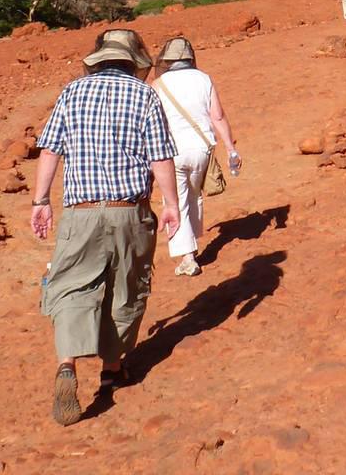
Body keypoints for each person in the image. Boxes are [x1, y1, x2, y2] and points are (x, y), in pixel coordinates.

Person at [31, 29, 179, 426]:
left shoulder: (71, 93)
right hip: (128, 211)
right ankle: (112, 369)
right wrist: (171, 204)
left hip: (80, 212)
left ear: (96, 60)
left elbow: (50, 150)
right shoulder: (144, 95)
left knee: (71, 285)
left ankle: (67, 365)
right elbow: (160, 156)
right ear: (134, 63)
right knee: (124, 287)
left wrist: (40, 200)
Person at [149, 36, 241, 278]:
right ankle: (192, 241)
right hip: (202, 150)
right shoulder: (204, 79)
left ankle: (187, 257)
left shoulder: (158, 84)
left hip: (170, 152)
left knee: (176, 200)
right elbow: (217, 117)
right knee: (193, 195)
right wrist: (231, 149)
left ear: (167, 60)